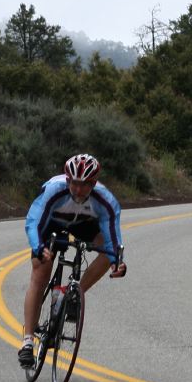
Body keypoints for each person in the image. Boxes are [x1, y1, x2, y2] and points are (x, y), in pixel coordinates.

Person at [18, 153, 127, 368]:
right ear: (67, 180)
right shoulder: (53, 191)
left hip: (83, 224)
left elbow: (113, 237)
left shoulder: (106, 201)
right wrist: (39, 248)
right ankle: (28, 341)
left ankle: (73, 294)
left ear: (93, 184)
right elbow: (34, 223)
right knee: (40, 270)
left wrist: (117, 261)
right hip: (51, 223)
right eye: (74, 184)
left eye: (85, 185)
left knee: (107, 252)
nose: (78, 190)